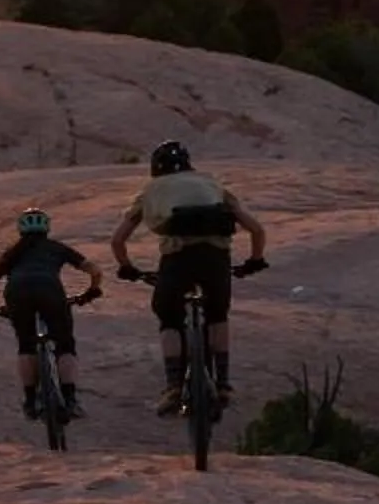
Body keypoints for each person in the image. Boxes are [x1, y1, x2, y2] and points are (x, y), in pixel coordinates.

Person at [109, 141, 269, 416]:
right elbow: (256, 230)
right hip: (215, 258)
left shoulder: (151, 190)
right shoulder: (212, 184)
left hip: (178, 260)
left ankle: (173, 386)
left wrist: (127, 267)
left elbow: (117, 240)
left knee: (169, 316)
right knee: (217, 315)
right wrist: (255, 260)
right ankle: (223, 384)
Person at [0, 208, 102, 421]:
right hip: (51, 291)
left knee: (26, 345)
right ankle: (70, 399)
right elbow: (95, 271)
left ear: (21, 229)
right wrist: (92, 291)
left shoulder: (12, 252)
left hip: (17, 293)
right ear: (47, 228)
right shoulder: (56, 247)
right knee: (65, 344)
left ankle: (31, 400)